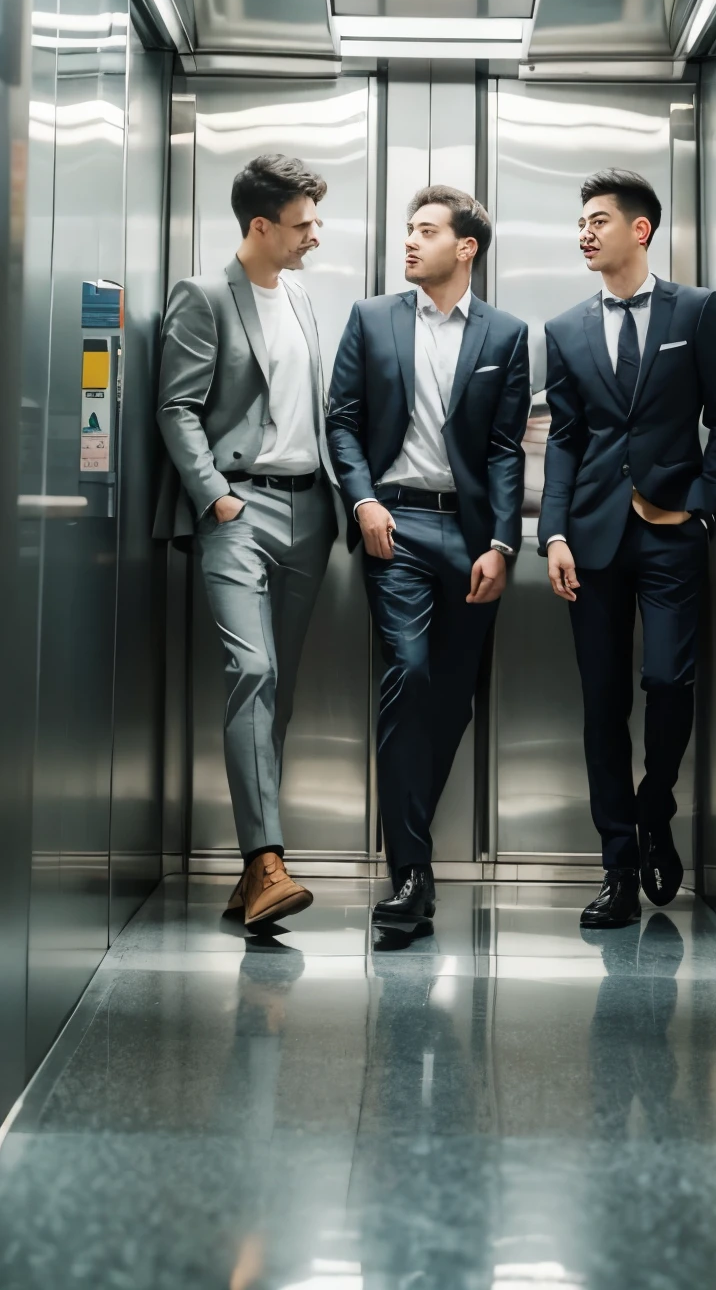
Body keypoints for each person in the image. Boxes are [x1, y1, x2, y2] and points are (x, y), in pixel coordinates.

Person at [539, 170, 716, 929]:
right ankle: (617, 866)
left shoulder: (695, 310)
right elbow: (564, 439)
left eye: (598, 220)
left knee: (667, 680)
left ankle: (656, 804)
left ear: (641, 229)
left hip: (670, 534)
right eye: (581, 222)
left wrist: (702, 506)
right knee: (602, 705)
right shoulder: (564, 330)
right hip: (590, 538)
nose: (586, 233)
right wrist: (553, 532)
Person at [327, 185, 530, 932]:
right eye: (407, 230)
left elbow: (507, 449)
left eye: (425, 231)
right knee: (407, 673)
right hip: (396, 529)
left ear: (465, 247)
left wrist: (503, 543)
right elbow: (342, 420)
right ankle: (411, 871)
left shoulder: (506, 335)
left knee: (452, 700)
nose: (409, 242)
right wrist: (363, 501)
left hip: (473, 538)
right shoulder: (372, 319)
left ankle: (411, 861)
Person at [153, 155, 338, 929]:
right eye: (302, 225)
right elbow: (177, 407)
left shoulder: (298, 296)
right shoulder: (202, 297)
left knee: (279, 691)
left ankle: (250, 876)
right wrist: (217, 498)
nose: (313, 238)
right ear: (259, 226)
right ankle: (266, 861)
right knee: (251, 672)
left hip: (309, 513)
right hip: (241, 510)